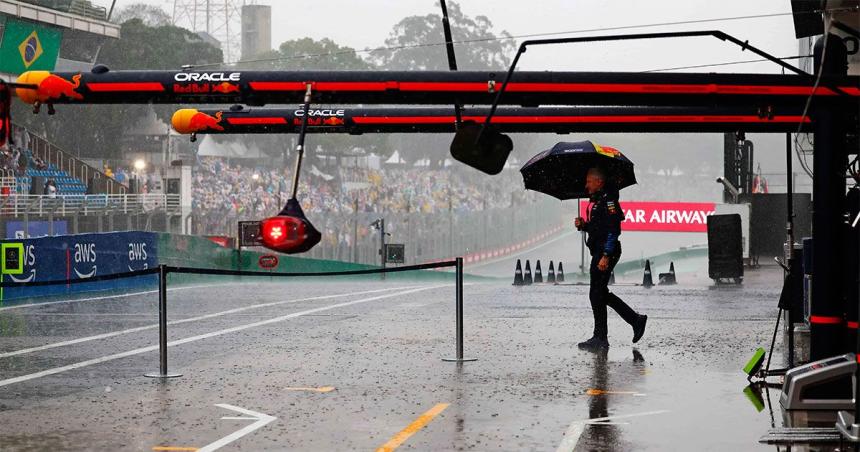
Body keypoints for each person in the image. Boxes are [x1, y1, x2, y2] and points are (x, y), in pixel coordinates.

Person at [574, 167, 647, 351]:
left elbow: (614, 230)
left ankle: (602, 337)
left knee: (597, 293)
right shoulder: (598, 200)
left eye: (589, 181)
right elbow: (599, 228)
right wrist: (584, 225)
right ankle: (632, 321)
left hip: (607, 252)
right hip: (599, 251)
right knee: (598, 293)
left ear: (599, 182)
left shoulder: (609, 201)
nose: (586, 185)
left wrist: (606, 255)